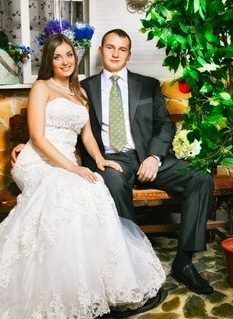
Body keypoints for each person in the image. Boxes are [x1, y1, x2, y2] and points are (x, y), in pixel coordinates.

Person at [11, 28, 214, 295]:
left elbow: (165, 127)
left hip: (147, 157)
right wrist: (26, 143)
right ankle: (130, 261)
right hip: (109, 159)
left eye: (122, 49)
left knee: (201, 176)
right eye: (110, 47)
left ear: (129, 55)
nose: (115, 53)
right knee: (113, 182)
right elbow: (54, 123)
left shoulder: (148, 85)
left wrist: (154, 157)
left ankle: (184, 261)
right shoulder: (84, 88)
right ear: (99, 51)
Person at [1, 33, 167, 318]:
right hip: (37, 162)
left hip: (64, 162)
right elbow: (38, 138)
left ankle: (98, 280)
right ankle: (62, 283)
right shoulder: (42, 87)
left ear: (75, 58)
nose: (65, 61)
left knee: (93, 187)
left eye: (69, 55)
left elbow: (87, 135)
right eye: (57, 56)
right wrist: (73, 167)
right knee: (70, 188)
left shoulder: (80, 92)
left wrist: (101, 161)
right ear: (49, 61)